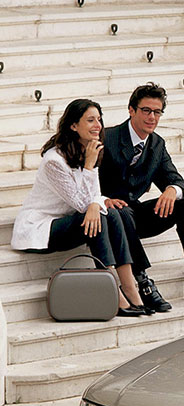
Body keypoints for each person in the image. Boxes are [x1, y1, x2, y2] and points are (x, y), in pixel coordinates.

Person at [100, 82, 184, 312]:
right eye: (146, 110)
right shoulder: (109, 138)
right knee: (120, 211)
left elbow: (178, 181)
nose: (152, 117)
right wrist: (102, 199)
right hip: (108, 217)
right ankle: (142, 281)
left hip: (134, 215)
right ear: (131, 110)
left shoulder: (157, 145)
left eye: (157, 112)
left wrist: (172, 190)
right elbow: (85, 178)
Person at [12, 99, 148, 318]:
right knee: (99, 216)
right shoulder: (54, 160)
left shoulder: (88, 149)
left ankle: (130, 287)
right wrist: (90, 167)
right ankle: (115, 292)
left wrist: (97, 201)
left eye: (99, 120)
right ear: (73, 126)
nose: (98, 125)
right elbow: (82, 202)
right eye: (90, 120)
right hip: (40, 228)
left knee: (111, 213)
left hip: (71, 219)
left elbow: (91, 198)